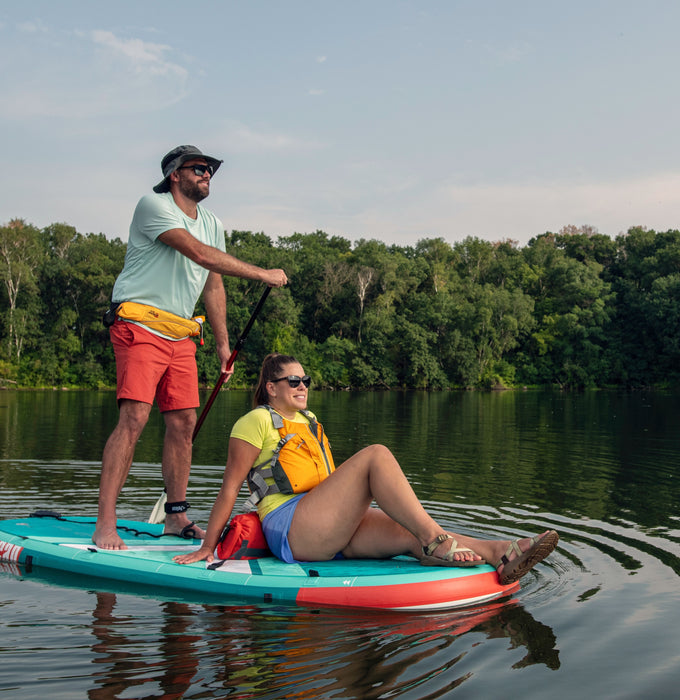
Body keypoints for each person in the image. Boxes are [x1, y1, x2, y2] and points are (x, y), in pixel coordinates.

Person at [175, 353, 559, 584]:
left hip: (327, 524)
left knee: (408, 531)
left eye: (305, 380)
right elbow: (229, 488)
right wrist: (208, 548)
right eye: (293, 380)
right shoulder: (255, 421)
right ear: (271, 387)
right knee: (376, 454)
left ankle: (503, 552)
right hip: (292, 528)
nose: (302, 385)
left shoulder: (308, 420)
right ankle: (435, 539)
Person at [93, 145, 288, 550]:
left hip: (181, 331)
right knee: (135, 417)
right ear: (175, 175)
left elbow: (212, 282)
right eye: (199, 168)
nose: (207, 174)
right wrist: (262, 274)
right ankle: (105, 524)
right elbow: (197, 252)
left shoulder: (213, 222)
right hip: (140, 321)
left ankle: (176, 516)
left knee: (183, 423)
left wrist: (222, 345)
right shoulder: (153, 205)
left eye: (211, 169)